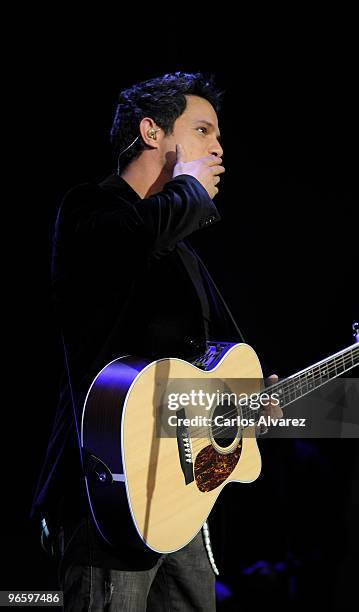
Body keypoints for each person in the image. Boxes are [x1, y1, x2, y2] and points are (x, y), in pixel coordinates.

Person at [31, 71, 280, 611]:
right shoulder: (90, 210)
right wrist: (189, 189)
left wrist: (248, 401)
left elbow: (218, 359)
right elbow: (124, 246)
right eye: (202, 130)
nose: (218, 146)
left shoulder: (181, 250)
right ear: (152, 132)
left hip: (179, 493)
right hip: (109, 491)